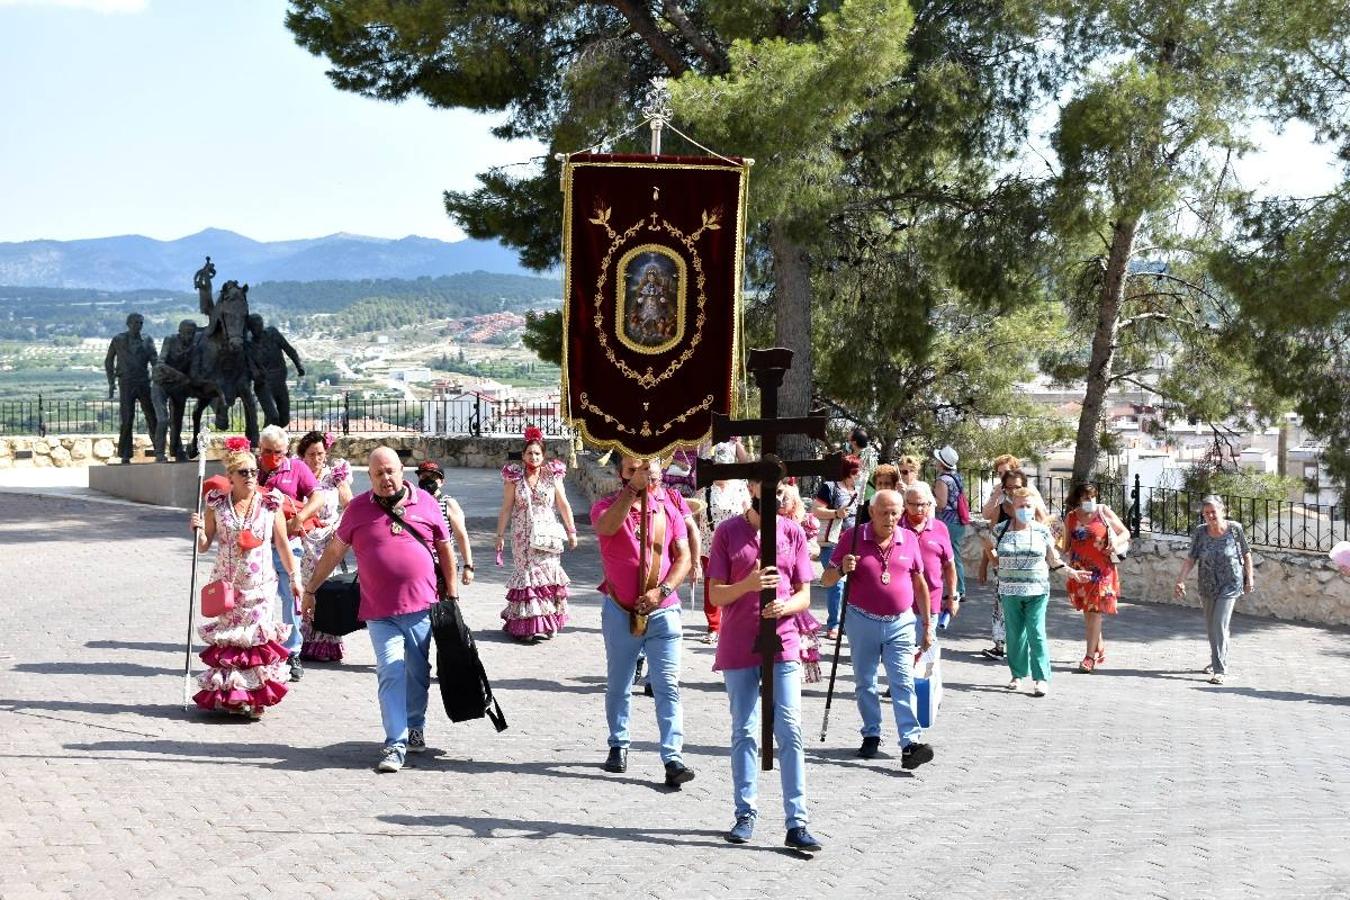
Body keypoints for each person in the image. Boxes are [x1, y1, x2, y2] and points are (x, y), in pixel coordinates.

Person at [302, 447, 458, 773]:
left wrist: (453, 597)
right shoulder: (358, 509)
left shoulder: (427, 504)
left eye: (390, 471)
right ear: (369, 477)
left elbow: (445, 548)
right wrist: (312, 588)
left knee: (417, 672)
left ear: (402, 470)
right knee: (390, 670)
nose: (386, 479)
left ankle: (415, 725)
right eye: (378, 474)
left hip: (421, 606)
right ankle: (395, 742)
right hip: (378, 610)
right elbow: (333, 551)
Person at [707, 466, 824, 854]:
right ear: (751, 487)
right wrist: (748, 585)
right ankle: (745, 813)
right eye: (762, 483)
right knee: (744, 728)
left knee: (789, 727)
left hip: (783, 641)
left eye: (778, 485)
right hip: (740, 642)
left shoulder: (792, 532)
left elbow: (806, 594)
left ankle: (798, 820)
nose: (771, 491)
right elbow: (718, 596)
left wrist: (785, 605)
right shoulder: (728, 532)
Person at [591, 455, 694, 786]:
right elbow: (607, 527)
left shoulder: (669, 511)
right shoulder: (607, 506)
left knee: (667, 686)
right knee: (619, 684)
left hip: (664, 611)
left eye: (645, 469)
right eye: (631, 469)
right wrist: (632, 492)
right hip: (620, 610)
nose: (640, 474)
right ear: (621, 473)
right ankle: (618, 743)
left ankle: (672, 756)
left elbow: (684, 558)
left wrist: (661, 591)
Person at [821, 489, 935, 767]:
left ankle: (910, 743)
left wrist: (927, 625)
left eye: (896, 512)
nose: (891, 518)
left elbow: (919, 582)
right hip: (862, 620)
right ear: (872, 512)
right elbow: (826, 580)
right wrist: (842, 570)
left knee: (903, 682)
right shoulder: (853, 538)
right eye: (884, 512)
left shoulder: (907, 538)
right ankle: (871, 732)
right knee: (865, 682)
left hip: (900, 622)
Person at [188, 445, 299, 718]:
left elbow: (283, 545)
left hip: (261, 585)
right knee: (232, 643)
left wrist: (295, 577)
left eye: (253, 471)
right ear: (231, 476)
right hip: (227, 586)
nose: (250, 476)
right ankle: (233, 697)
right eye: (243, 472)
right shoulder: (216, 503)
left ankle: (254, 699)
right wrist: (198, 529)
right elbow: (204, 546)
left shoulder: (270, 503)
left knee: (254, 643)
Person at [991, 487, 1089, 697]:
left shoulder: (1042, 531)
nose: (1025, 509)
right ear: (1012, 507)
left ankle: (1041, 678)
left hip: (1037, 590)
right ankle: (1017, 675)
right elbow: (993, 556)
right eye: (1021, 506)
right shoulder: (999, 530)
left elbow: (1053, 560)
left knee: (1036, 632)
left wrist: (1072, 573)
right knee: (1014, 635)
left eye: (1028, 506)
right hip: (1009, 590)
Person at [495, 428, 577, 641]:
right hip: (523, 534)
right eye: (529, 453)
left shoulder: (553, 476)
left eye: (537, 454)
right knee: (528, 575)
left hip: (547, 534)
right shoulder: (514, 477)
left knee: (548, 573)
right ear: (523, 455)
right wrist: (500, 535)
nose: (533, 457)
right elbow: (506, 507)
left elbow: (563, 504)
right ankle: (528, 624)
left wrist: (572, 531)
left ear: (543, 456)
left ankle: (548, 621)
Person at [257, 425, 324, 682]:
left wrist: (302, 517)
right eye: (267, 451)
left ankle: (292, 651)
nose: (272, 456)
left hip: (289, 544)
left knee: (292, 598)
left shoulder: (296, 468)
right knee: (258, 599)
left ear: (286, 451)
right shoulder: (252, 468)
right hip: (258, 546)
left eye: (278, 452)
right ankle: (261, 648)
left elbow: (317, 496)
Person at [1174, 496, 1254, 685]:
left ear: (1222, 511)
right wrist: (1181, 580)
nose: (1210, 516)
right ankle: (1216, 660)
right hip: (1207, 584)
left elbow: (1246, 553)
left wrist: (1249, 577)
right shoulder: (1200, 532)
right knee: (1213, 627)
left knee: (1219, 624)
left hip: (1230, 584)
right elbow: (1191, 558)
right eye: (1206, 513)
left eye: (1213, 511)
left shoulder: (1235, 529)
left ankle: (1220, 670)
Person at [979, 466, 1049, 660]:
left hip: (1029, 571)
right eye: (1008, 487)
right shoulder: (1000, 508)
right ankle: (1000, 645)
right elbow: (991, 537)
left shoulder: (1030, 506)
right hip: (1003, 566)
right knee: (1000, 605)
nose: (1012, 491)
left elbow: (1046, 531)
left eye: (1016, 487)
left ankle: (1021, 646)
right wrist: (984, 564)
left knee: (1026, 614)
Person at [296, 431, 354, 663]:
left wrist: (341, 527)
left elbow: (349, 503)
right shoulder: (298, 472)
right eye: (311, 454)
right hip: (304, 538)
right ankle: (303, 640)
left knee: (325, 589)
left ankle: (327, 642)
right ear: (303, 454)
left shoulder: (334, 474)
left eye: (320, 453)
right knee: (304, 587)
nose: (317, 458)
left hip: (329, 538)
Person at [1062, 483, 1129, 672]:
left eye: (1092, 496)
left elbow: (1125, 532)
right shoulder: (1072, 517)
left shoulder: (1103, 511)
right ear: (1078, 499)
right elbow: (1066, 545)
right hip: (1080, 570)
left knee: (1095, 611)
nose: (1089, 500)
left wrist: (1115, 541)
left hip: (1102, 570)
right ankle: (1097, 643)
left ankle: (1089, 657)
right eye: (1085, 497)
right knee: (1088, 611)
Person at [701, 440, 752, 645]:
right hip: (709, 544)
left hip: (735, 545)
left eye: (725, 466)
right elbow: (697, 515)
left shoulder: (739, 487)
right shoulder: (706, 488)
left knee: (737, 583)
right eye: (718, 466)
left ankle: (735, 623)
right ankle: (714, 626)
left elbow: (748, 512)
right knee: (712, 586)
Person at [814, 454, 862, 640]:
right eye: (855, 472)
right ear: (846, 471)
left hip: (856, 541)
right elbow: (816, 510)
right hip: (834, 542)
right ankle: (834, 624)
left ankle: (848, 623)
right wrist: (836, 513)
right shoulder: (830, 487)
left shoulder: (859, 490)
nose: (858, 475)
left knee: (854, 584)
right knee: (837, 583)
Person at [780, 481, 824, 682]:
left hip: (795, 585)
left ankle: (793, 671)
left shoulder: (805, 522)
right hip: (778, 582)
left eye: (786, 498)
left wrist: (802, 548)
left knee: (797, 631)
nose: (781, 501)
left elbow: (815, 549)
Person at [901, 482, 960, 626]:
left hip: (931, 603)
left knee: (926, 646)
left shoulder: (940, 528)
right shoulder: (896, 528)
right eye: (914, 504)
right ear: (905, 504)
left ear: (929, 504)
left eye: (923, 504)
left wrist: (952, 597)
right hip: (901, 605)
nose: (919, 509)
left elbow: (949, 566)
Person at [105, 312, 159, 464]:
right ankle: (125, 454)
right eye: (135, 322)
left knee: (152, 416)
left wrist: (159, 380)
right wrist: (111, 382)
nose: (138, 325)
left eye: (141, 323)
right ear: (128, 324)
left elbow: (155, 360)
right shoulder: (118, 340)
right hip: (126, 383)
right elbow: (109, 361)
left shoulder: (147, 340)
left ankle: (159, 449)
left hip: (143, 382)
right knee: (127, 419)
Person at [415, 461, 476, 590]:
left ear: (442, 482)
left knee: (443, 606)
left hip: (444, 565)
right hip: (419, 565)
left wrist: (468, 566)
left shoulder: (448, 503)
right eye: (423, 476)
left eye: (432, 477)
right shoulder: (414, 503)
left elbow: (461, 536)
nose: (427, 480)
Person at [245, 314, 305, 429]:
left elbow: (289, 349)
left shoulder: (273, 333)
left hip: (280, 383)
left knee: (284, 419)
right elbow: (249, 366)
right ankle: (264, 442)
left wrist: (299, 365)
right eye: (255, 326)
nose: (259, 328)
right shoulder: (248, 344)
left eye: (260, 324)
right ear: (250, 328)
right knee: (273, 416)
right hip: (264, 385)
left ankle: (270, 441)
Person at [932, 445, 968, 600]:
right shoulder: (957, 477)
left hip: (947, 522)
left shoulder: (942, 480)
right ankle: (959, 589)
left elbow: (941, 503)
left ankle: (957, 589)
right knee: (955, 555)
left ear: (941, 463)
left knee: (946, 556)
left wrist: (928, 498)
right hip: (958, 520)